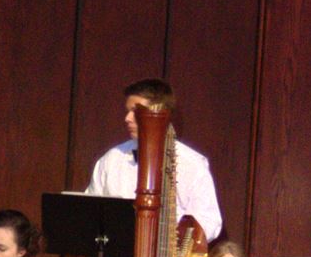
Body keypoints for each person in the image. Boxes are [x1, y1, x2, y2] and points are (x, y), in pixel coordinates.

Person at [84, 77, 222, 241]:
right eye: (127, 111)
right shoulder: (112, 159)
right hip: (115, 251)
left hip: (167, 252)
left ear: (158, 113)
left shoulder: (192, 164)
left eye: (136, 112)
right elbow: (90, 209)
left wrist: (175, 234)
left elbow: (209, 221)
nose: (127, 118)